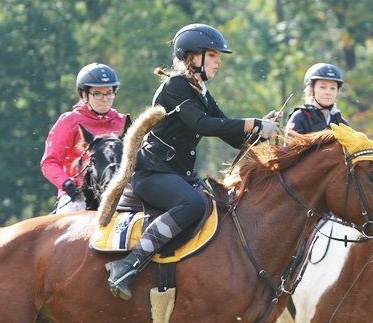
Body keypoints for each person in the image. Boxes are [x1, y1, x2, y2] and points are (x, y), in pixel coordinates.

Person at [106, 23, 281, 301]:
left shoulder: (201, 92)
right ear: (192, 56)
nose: (217, 62)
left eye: (217, 57)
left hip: (177, 175)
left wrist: (259, 132)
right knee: (193, 204)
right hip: (152, 174)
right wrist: (253, 122)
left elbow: (230, 135)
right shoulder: (176, 86)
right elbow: (202, 124)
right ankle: (127, 265)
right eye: (212, 55)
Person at [41, 63, 128, 212]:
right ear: (83, 95)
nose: (105, 99)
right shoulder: (69, 121)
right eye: (97, 94)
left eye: (109, 93)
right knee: (73, 210)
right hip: (78, 194)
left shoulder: (123, 121)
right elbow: (49, 162)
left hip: (119, 191)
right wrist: (67, 184)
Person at [286, 63, 348, 134]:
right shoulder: (300, 118)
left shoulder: (341, 123)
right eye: (322, 87)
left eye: (333, 88)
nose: (328, 92)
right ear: (311, 89)